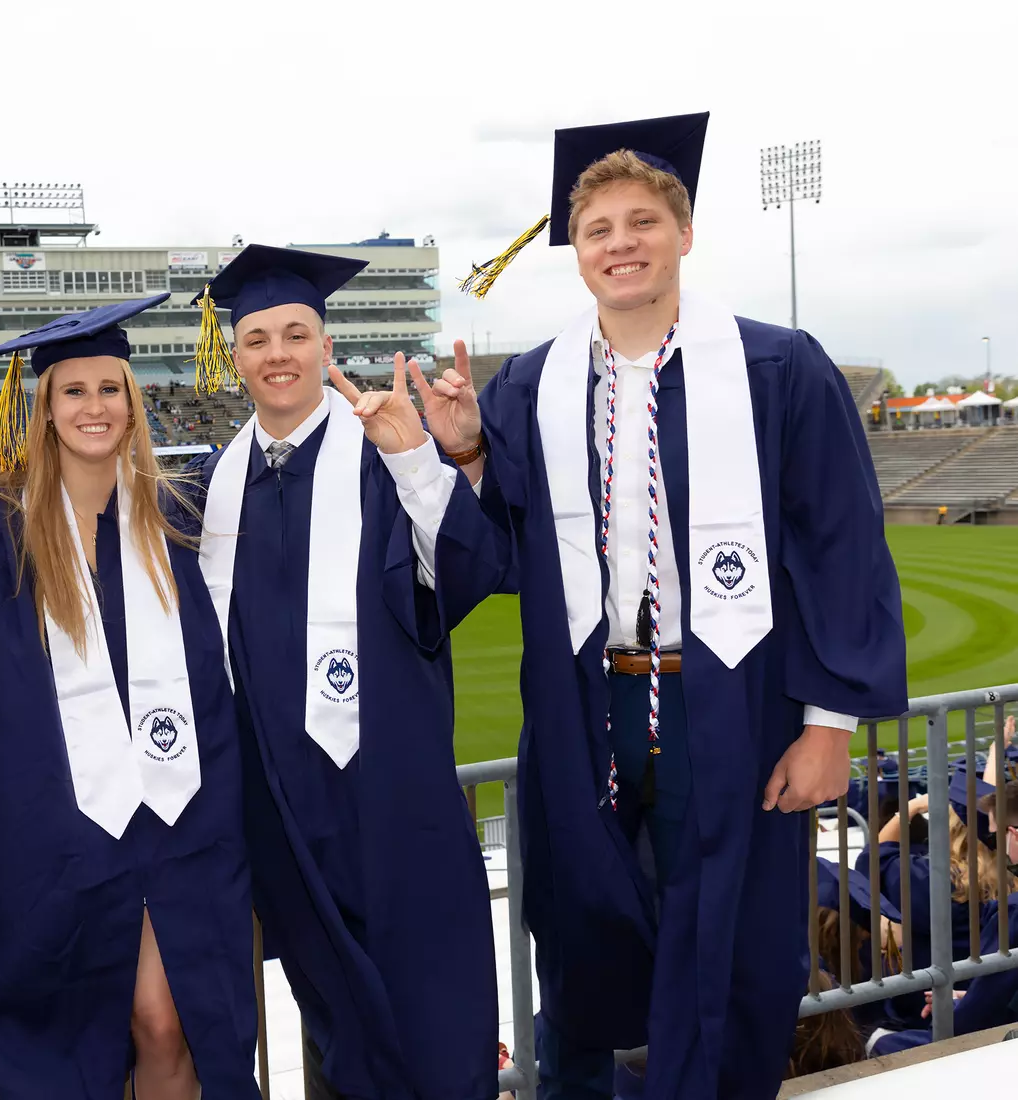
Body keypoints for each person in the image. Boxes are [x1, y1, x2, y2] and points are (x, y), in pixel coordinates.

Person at [418, 113, 907, 1099]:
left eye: (643, 221)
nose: (621, 243)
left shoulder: (779, 369)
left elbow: (842, 549)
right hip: (584, 704)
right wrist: (468, 450)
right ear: (576, 249)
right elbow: (509, 555)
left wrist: (828, 726)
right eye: (598, 229)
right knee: (582, 919)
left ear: (683, 232)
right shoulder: (532, 387)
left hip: (727, 700)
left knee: (728, 935)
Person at [184, 245, 507, 1098]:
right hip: (278, 807)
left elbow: (473, 572)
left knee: (435, 1006)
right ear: (235, 356)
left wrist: (418, 461)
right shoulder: (217, 483)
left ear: (325, 346)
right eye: (257, 338)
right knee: (332, 1014)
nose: (277, 353)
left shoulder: (380, 451)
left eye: (296, 333)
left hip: (392, 789)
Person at [0, 295, 259, 1100]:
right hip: (56, 836)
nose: (94, 407)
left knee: (166, 1021)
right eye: (72, 392)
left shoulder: (176, 514)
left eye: (109, 389)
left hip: (178, 823)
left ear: (132, 400)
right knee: (86, 1041)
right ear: (43, 411)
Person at [867, 778, 1018, 1056]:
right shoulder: (1010, 882)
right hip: (976, 1000)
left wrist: (909, 808)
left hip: (930, 1012)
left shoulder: (934, 882)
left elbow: (873, 860)